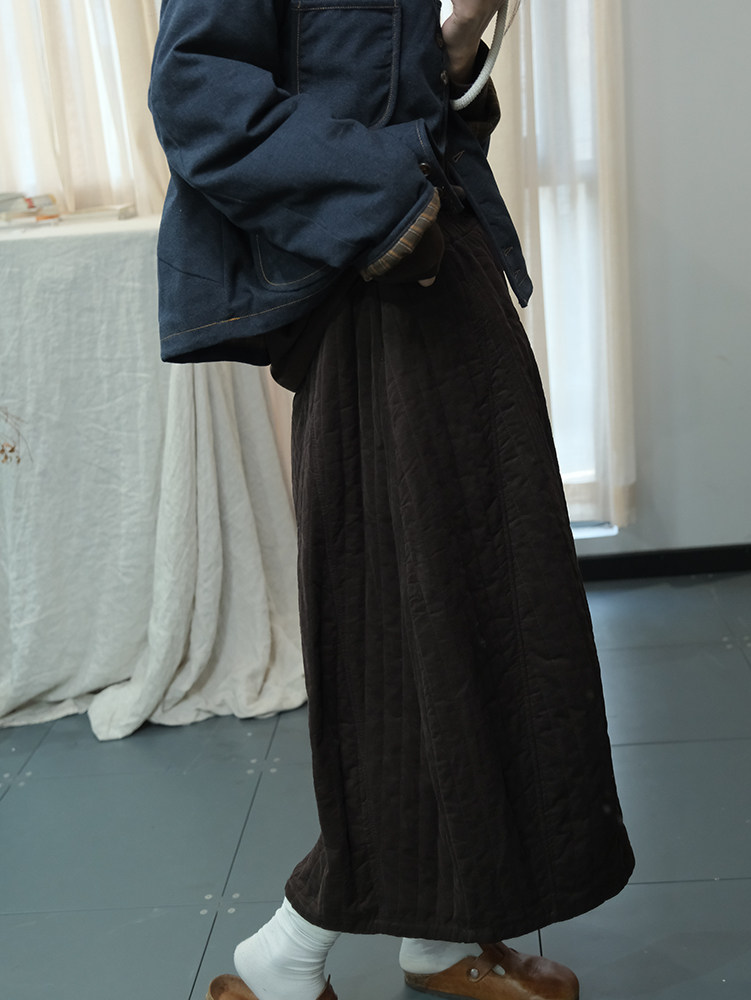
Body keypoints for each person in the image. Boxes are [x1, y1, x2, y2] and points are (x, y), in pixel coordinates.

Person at [148, 0, 635, 998]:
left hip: (433, 268)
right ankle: (287, 952)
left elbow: (386, 99)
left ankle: (439, 932)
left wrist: (453, 48)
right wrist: (383, 208)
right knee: (399, 628)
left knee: (486, 608)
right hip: (371, 284)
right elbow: (196, 94)